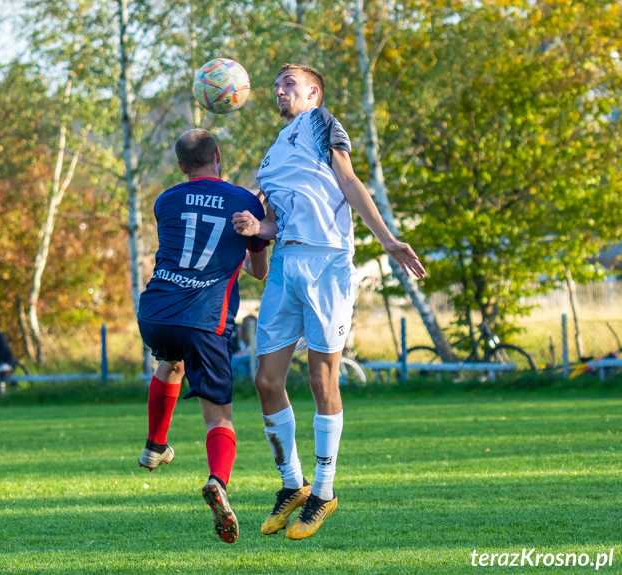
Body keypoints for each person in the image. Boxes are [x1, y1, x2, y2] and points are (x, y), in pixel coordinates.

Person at [233, 64, 426, 540]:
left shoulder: (321, 123)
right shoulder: (271, 157)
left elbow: (349, 181)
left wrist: (387, 240)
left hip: (328, 266)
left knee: (322, 379)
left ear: (313, 92)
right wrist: (258, 229)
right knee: (265, 379)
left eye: (289, 84)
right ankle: (291, 485)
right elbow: (277, 223)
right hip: (285, 264)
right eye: (276, 86)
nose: (280, 90)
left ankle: (323, 491)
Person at [136, 129, 269, 544]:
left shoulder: (165, 200)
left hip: (155, 311)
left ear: (180, 166)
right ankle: (218, 482)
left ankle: (155, 446)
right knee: (219, 415)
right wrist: (256, 233)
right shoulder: (245, 203)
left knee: (171, 361)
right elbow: (259, 272)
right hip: (204, 318)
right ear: (218, 155)